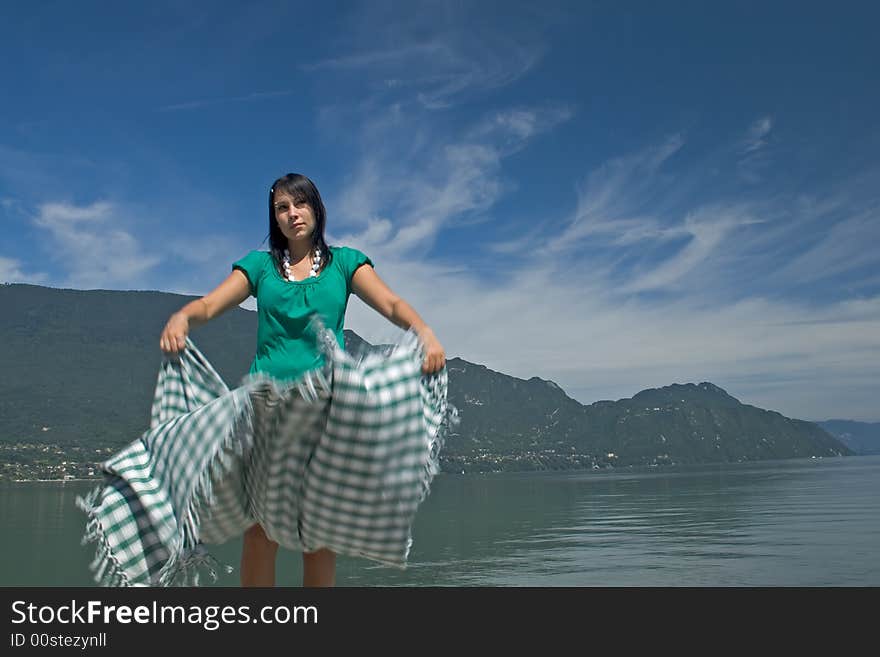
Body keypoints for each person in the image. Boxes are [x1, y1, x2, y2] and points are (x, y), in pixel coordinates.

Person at [158, 172, 446, 587]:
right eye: (282, 208)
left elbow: (391, 302)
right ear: (274, 218)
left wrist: (424, 331)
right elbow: (209, 303)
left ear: (316, 208)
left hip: (325, 412)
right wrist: (183, 317)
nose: (292, 214)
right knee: (259, 531)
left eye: (300, 203)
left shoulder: (345, 263)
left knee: (319, 534)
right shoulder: (259, 268)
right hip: (266, 411)